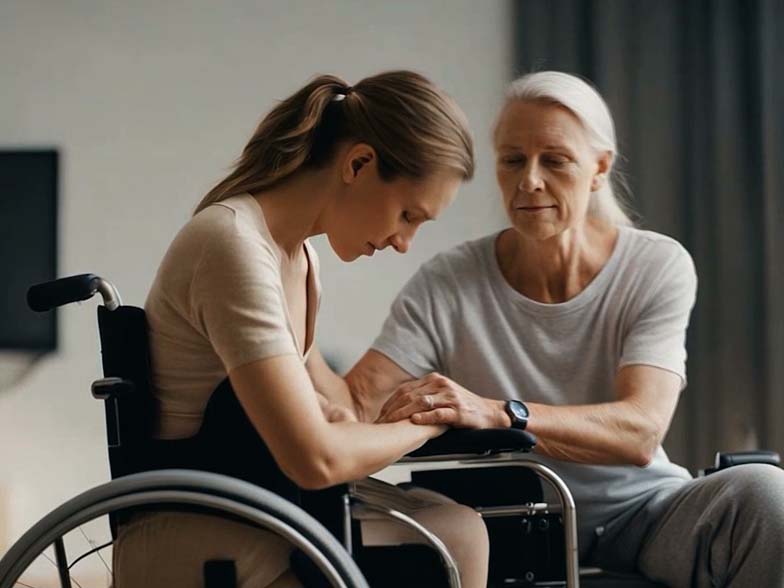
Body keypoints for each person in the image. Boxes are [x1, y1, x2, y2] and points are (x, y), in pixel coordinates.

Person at [347, 71, 784, 587]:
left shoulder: (656, 264)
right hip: (504, 519)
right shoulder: (448, 279)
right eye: (513, 160)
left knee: (766, 493)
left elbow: (641, 430)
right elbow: (357, 399)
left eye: (554, 160)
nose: (529, 180)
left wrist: (498, 413)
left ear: (599, 169)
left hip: (642, 513)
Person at [113, 71, 489, 588]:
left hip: (255, 497)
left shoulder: (299, 257)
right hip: (206, 516)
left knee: (459, 524)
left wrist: (432, 404)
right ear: (358, 164)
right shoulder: (233, 246)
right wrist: (425, 426)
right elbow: (315, 459)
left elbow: (335, 406)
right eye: (407, 214)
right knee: (456, 535)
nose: (405, 242)